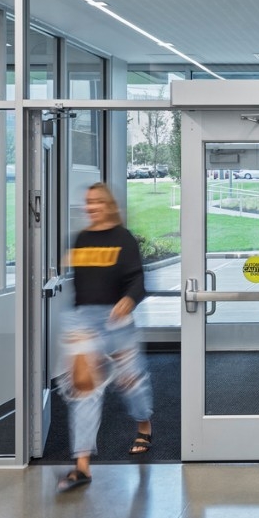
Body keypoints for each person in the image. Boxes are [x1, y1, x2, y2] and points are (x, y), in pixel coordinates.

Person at [56, 182, 154, 492]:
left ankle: (143, 423)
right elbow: (81, 286)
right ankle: (82, 464)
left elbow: (137, 279)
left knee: (130, 381)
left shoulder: (123, 239)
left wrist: (129, 300)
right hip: (84, 320)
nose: (91, 206)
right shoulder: (81, 239)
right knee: (84, 387)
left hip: (116, 320)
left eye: (97, 201)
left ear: (108, 204)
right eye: (88, 202)